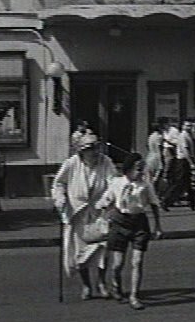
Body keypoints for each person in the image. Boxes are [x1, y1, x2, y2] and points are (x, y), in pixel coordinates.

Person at [52, 133, 117, 301]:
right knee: (80, 252)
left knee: (102, 249)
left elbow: (113, 183)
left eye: (96, 147)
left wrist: (107, 199)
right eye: (90, 148)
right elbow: (59, 183)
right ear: (81, 151)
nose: (94, 151)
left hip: (100, 212)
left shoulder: (106, 162)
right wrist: (60, 198)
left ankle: (101, 283)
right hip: (78, 214)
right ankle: (86, 285)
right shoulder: (71, 164)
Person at [95, 152, 163, 311]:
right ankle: (116, 285)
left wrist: (158, 226)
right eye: (138, 169)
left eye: (142, 169)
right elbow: (105, 201)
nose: (141, 172)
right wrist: (103, 213)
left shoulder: (146, 185)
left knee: (137, 261)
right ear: (128, 169)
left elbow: (154, 204)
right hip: (120, 222)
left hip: (139, 223)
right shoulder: (117, 183)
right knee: (117, 264)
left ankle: (134, 295)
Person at [161, 118, 194, 210]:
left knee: (189, 183)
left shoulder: (189, 135)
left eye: (190, 125)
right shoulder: (183, 136)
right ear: (183, 126)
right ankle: (166, 201)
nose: (189, 127)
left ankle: (193, 203)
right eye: (187, 125)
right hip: (183, 161)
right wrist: (191, 162)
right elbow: (185, 150)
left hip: (186, 160)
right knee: (179, 183)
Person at [145, 121, 165, 188]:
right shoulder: (159, 137)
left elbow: (147, 146)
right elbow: (159, 149)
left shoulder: (150, 136)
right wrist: (161, 161)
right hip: (156, 157)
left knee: (149, 176)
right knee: (156, 177)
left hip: (150, 156)